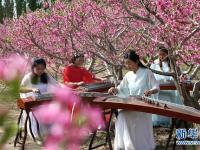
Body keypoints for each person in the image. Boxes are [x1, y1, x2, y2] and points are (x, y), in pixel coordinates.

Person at [108, 50, 159, 150]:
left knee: (127, 117)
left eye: (129, 63)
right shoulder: (128, 75)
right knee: (122, 115)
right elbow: (121, 88)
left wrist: (150, 91)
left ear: (136, 62)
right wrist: (114, 89)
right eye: (126, 64)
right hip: (131, 104)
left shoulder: (147, 72)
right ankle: (128, 146)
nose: (127, 66)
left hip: (143, 106)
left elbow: (156, 87)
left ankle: (139, 146)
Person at [19, 58, 58, 140]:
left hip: (43, 100)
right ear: (33, 68)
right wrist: (31, 89)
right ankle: (37, 134)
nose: (40, 71)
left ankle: (50, 132)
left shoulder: (46, 76)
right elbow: (21, 89)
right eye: (38, 69)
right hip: (33, 102)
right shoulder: (28, 77)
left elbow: (56, 85)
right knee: (37, 113)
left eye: (42, 69)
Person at [150, 46, 183, 127]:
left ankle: (173, 121)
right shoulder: (155, 63)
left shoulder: (173, 64)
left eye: (163, 54)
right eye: (159, 54)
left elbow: (178, 76)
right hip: (159, 89)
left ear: (168, 54)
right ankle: (159, 122)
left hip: (171, 90)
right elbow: (150, 75)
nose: (161, 56)